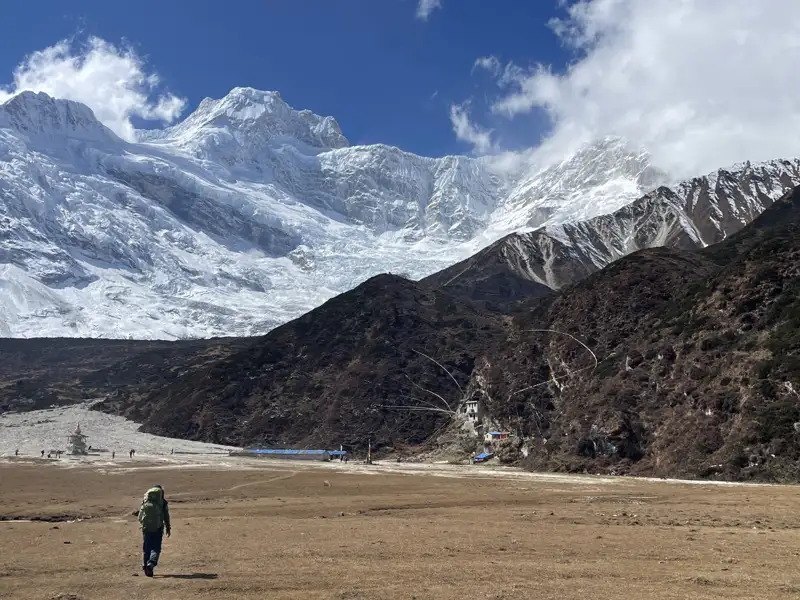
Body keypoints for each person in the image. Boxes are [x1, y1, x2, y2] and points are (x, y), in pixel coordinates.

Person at [134, 485, 171, 577]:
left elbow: (140, 516)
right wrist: (168, 527)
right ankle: (151, 564)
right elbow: (166, 516)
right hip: (158, 528)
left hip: (146, 528)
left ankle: (145, 565)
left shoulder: (146, 501)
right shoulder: (163, 503)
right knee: (156, 548)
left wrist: (144, 524)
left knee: (147, 547)